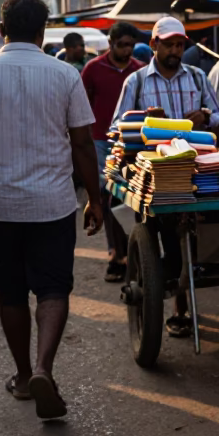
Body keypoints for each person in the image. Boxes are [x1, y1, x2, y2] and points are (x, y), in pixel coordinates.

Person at [0, 0, 102, 420]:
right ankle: (43, 368)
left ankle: (21, 375)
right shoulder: (64, 75)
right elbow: (83, 144)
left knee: (11, 291)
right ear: (42, 32)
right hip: (53, 204)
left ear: (1, 31)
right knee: (53, 288)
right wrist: (96, 200)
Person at [111, 15, 219, 338]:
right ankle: (169, 289)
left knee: (192, 235)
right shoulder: (136, 82)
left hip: (195, 169)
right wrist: (142, 122)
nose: (176, 50)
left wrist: (205, 116)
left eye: (180, 45)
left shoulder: (199, 78)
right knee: (166, 236)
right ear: (154, 45)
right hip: (155, 175)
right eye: (170, 44)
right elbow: (116, 127)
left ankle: (181, 304)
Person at [81, 21, 143, 282]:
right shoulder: (93, 69)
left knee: (128, 197)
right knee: (107, 195)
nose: (127, 50)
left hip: (132, 142)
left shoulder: (139, 71)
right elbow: (82, 106)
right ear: (111, 43)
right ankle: (114, 253)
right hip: (100, 141)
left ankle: (133, 251)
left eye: (130, 45)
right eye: (122, 45)